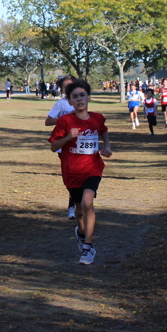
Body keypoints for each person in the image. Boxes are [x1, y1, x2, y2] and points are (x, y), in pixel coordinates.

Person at [48, 79, 112, 265]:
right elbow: (54, 146)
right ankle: (82, 233)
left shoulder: (97, 118)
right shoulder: (65, 121)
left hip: (93, 168)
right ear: (69, 101)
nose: (79, 99)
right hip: (71, 171)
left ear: (89, 97)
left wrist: (107, 146)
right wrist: (69, 137)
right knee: (79, 209)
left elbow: (103, 131)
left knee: (87, 201)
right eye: (74, 96)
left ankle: (88, 247)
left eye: (82, 95)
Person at [45, 75, 77, 220]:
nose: (68, 89)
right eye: (65, 87)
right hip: (64, 145)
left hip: (80, 144)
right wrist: (64, 119)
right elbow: (48, 121)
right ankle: (72, 206)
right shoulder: (61, 103)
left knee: (80, 175)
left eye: (71, 85)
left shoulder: (80, 100)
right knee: (72, 176)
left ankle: (77, 204)